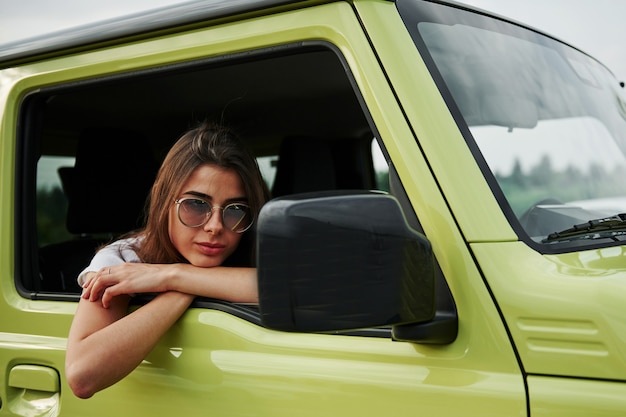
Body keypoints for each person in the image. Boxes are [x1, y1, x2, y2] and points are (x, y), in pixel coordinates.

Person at [65, 122, 270, 399]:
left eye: (235, 209)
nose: (215, 226)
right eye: (196, 204)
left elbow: (293, 289)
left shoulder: (251, 242)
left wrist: (174, 276)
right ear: (164, 200)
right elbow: (83, 374)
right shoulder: (122, 258)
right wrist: (184, 289)